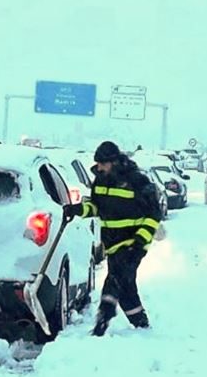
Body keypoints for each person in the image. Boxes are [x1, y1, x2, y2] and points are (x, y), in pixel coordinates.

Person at [63, 141, 161, 336]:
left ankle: (103, 320)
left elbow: (154, 214)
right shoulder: (100, 181)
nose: (98, 167)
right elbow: (96, 207)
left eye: (102, 164)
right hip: (112, 243)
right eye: (97, 163)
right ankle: (140, 323)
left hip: (133, 242)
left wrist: (141, 239)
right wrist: (77, 209)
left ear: (114, 162)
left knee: (115, 279)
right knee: (125, 285)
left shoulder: (137, 181)